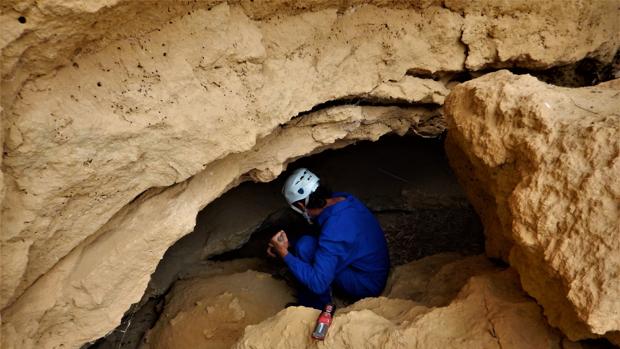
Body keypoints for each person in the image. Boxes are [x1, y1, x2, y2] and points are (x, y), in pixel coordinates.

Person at [267, 168, 390, 309]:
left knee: (305, 247)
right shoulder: (343, 199)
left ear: (301, 205)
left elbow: (318, 284)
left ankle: (316, 307)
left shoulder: (335, 230)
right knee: (304, 243)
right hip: (373, 267)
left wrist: (284, 254)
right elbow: (328, 234)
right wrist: (289, 244)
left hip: (366, 284)